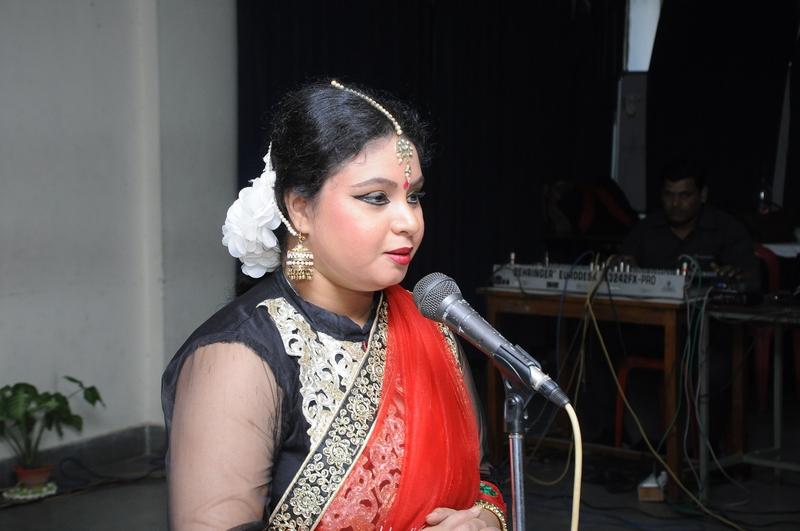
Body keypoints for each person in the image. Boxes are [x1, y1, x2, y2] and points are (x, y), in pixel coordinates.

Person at [161, 80, 507, 530]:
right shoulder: (238, 358)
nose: (409, 221)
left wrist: (486, 521)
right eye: (376, 198)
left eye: (414, 196)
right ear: (301, 209)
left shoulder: (431, 325)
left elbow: (481, 479)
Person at [619, 160, 759, 291]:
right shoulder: (645, 229)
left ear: (703, 195)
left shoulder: (727, 229)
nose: (675, 203)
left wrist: (733, 278)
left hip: (710, 307)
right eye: (668, 195)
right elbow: (621, 269)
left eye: (684, 195)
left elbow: (752, 279)